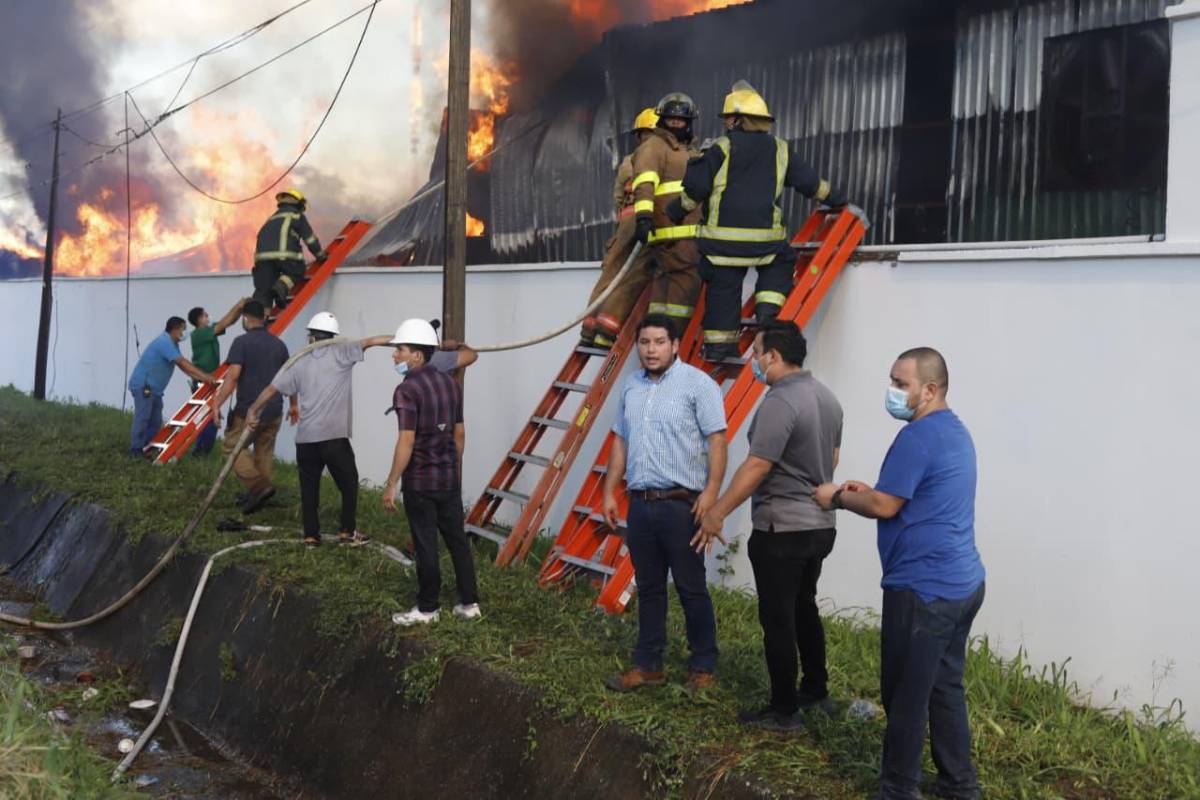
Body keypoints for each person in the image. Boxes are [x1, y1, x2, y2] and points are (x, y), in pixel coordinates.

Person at [813, 348, 985, 800]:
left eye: (901, 384)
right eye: (891, 380)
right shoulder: (954, 431)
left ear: (929, 390)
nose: (892, 391)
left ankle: (898, 790)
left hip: (924, 591)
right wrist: (871, 491)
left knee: (905, 695)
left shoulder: (919, 437)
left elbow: (886, 507)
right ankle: (959, 785)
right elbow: (907, 495)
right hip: (962, 584)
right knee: (944, 686)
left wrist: (836, 497)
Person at [697, 320, 842, 732]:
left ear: (773, 356)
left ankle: (783, 710)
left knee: (778, 618)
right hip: (819, 525)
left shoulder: (780, 402)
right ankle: (815, 690)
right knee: (803, 607)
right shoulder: (827, 398)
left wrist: (718, 510)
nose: (753, 361)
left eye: (756, 352)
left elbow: (758, 464)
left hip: (783, 528)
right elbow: (830, 461)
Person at [668, 80, 847, 362]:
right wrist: (836, 198)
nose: (725, 122)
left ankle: (719, 346)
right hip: (765, 243)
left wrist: (674, 212)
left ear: (739, 119)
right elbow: (809, 183)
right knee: (781, 261)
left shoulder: (721, 148)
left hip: (721, 246)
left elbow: (696, 191)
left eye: (728, 117)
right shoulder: (781, 149)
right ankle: (767, 312)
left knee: (723, 290)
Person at [602, 313, 728, 694]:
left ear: (675, 345)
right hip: (640, 504)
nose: (651, 349)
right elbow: (620, 442)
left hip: (682, 505)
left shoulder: (697, 385)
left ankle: (703, 665)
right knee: (650, 585)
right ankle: (648, 664)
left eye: (659, 342)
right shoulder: (631, 387)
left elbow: (717, 440)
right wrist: (609, 490)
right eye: (644, 342)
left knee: (691, 587)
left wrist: (711, 491)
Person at [245, 312, 386, 547]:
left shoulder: (299, 361)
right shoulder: (343, 351)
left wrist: (253, 410)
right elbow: (372, 341)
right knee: (349, 484)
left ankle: (311, 535)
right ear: (333, 336)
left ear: (311, 337)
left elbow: (272, 388)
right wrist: (405, 340)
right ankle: (347, 532)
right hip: (333, 437)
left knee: (309, 489)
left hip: (306, 439)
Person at [383, 318, 480, 626]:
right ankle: (470, 603)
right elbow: (460, 434)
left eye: (401, 349)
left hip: (421, 481)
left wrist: (391, 483)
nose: (395, 355)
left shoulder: (406, 390)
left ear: (417, 355)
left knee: (425, 543)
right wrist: (452, 467)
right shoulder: (451, 384)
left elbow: (406, 440)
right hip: (448, 478)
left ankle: (427, 608)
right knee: (457, 542)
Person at [589, 93, 705, 348]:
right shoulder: (658, 151)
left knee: (619, 273)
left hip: (644, 226)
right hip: (662, 228)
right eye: (671, 121)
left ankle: (595, 328)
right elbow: (647, 186)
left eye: (680, 120)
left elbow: (619, 197)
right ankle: (651, 337)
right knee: (639, 276)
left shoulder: (633, 159)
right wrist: (642, 218)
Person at [580, 107, 660, 349]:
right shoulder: (657, 156)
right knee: (634, 275)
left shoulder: (629, 160)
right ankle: (606, 331)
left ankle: (589, 328)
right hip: (646, 220)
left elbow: (618, 198)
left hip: (625, 222)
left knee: (611, 273)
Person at [208, 301, 291, 514]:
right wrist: (294, 405)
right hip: (275, 409)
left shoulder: (241, 342)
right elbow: (289, 377)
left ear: (245, 319)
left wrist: (216, 403)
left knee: (231, 447)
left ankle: (258, 487)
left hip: (250, 410)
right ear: (263, 318)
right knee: (264, 450)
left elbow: (233, 376)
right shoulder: (279, 344)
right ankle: (261, 494)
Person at [126, 316, 216, 457]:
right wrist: (205, 377)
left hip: (155, 389)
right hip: (144, 385)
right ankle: (135, 450)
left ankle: (146, 448)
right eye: (183, 329)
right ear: (175, 329)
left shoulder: (173, 345)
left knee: (155, 421)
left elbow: (184, 367)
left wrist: (201, 377)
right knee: (143, 418)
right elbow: (182, 363)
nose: (184, 333)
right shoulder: (165, 342)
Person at [187, 297, 248, 455]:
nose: (208, 317)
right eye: (205, 315)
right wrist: (238, 304)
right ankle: (201, 451)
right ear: (199, 319)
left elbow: (229, 322)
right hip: (203, 381)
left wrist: (240, 311)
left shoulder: (208, 331)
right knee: (208, 418)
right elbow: (223, 323)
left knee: (210, 415)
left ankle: (202, 450)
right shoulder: (199, 334)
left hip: (210, 380)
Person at [252, 188, 327, 312]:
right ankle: (281, 287)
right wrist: (321, 256)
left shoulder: (271, 219)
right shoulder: (296, 216)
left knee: (263, 294)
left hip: (262, 262)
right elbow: (310, 240)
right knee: (297, 271)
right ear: (298, 203)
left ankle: (261, 322)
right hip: (285, 258)